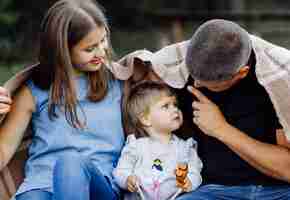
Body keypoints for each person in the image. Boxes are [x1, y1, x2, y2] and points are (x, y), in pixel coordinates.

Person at [0, 0, 131, 199]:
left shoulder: (118, 82)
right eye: (89, 49)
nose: (101, 51)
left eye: (103, 40)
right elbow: (4, 151)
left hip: (97, 188)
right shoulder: (32, 91)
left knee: (70, 162)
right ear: (62, 50)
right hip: (40, 186)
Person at [150, 19, 290, 199]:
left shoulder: (277, 81)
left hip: (277, 191)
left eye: (212, 86)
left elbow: (287, 169)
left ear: (242, 72)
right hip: (212, 191)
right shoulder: (182, 66)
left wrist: (220, 129)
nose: (197, 85)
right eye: (195, 78)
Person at [113, 81, 202, 200]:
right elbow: (121, 170)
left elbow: (195, 170)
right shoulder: (136, 147)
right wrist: (127, 179)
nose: (175, 109)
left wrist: (190, 182)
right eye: (166, 106)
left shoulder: (185, 148)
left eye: (175, 105)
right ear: (145, 119)